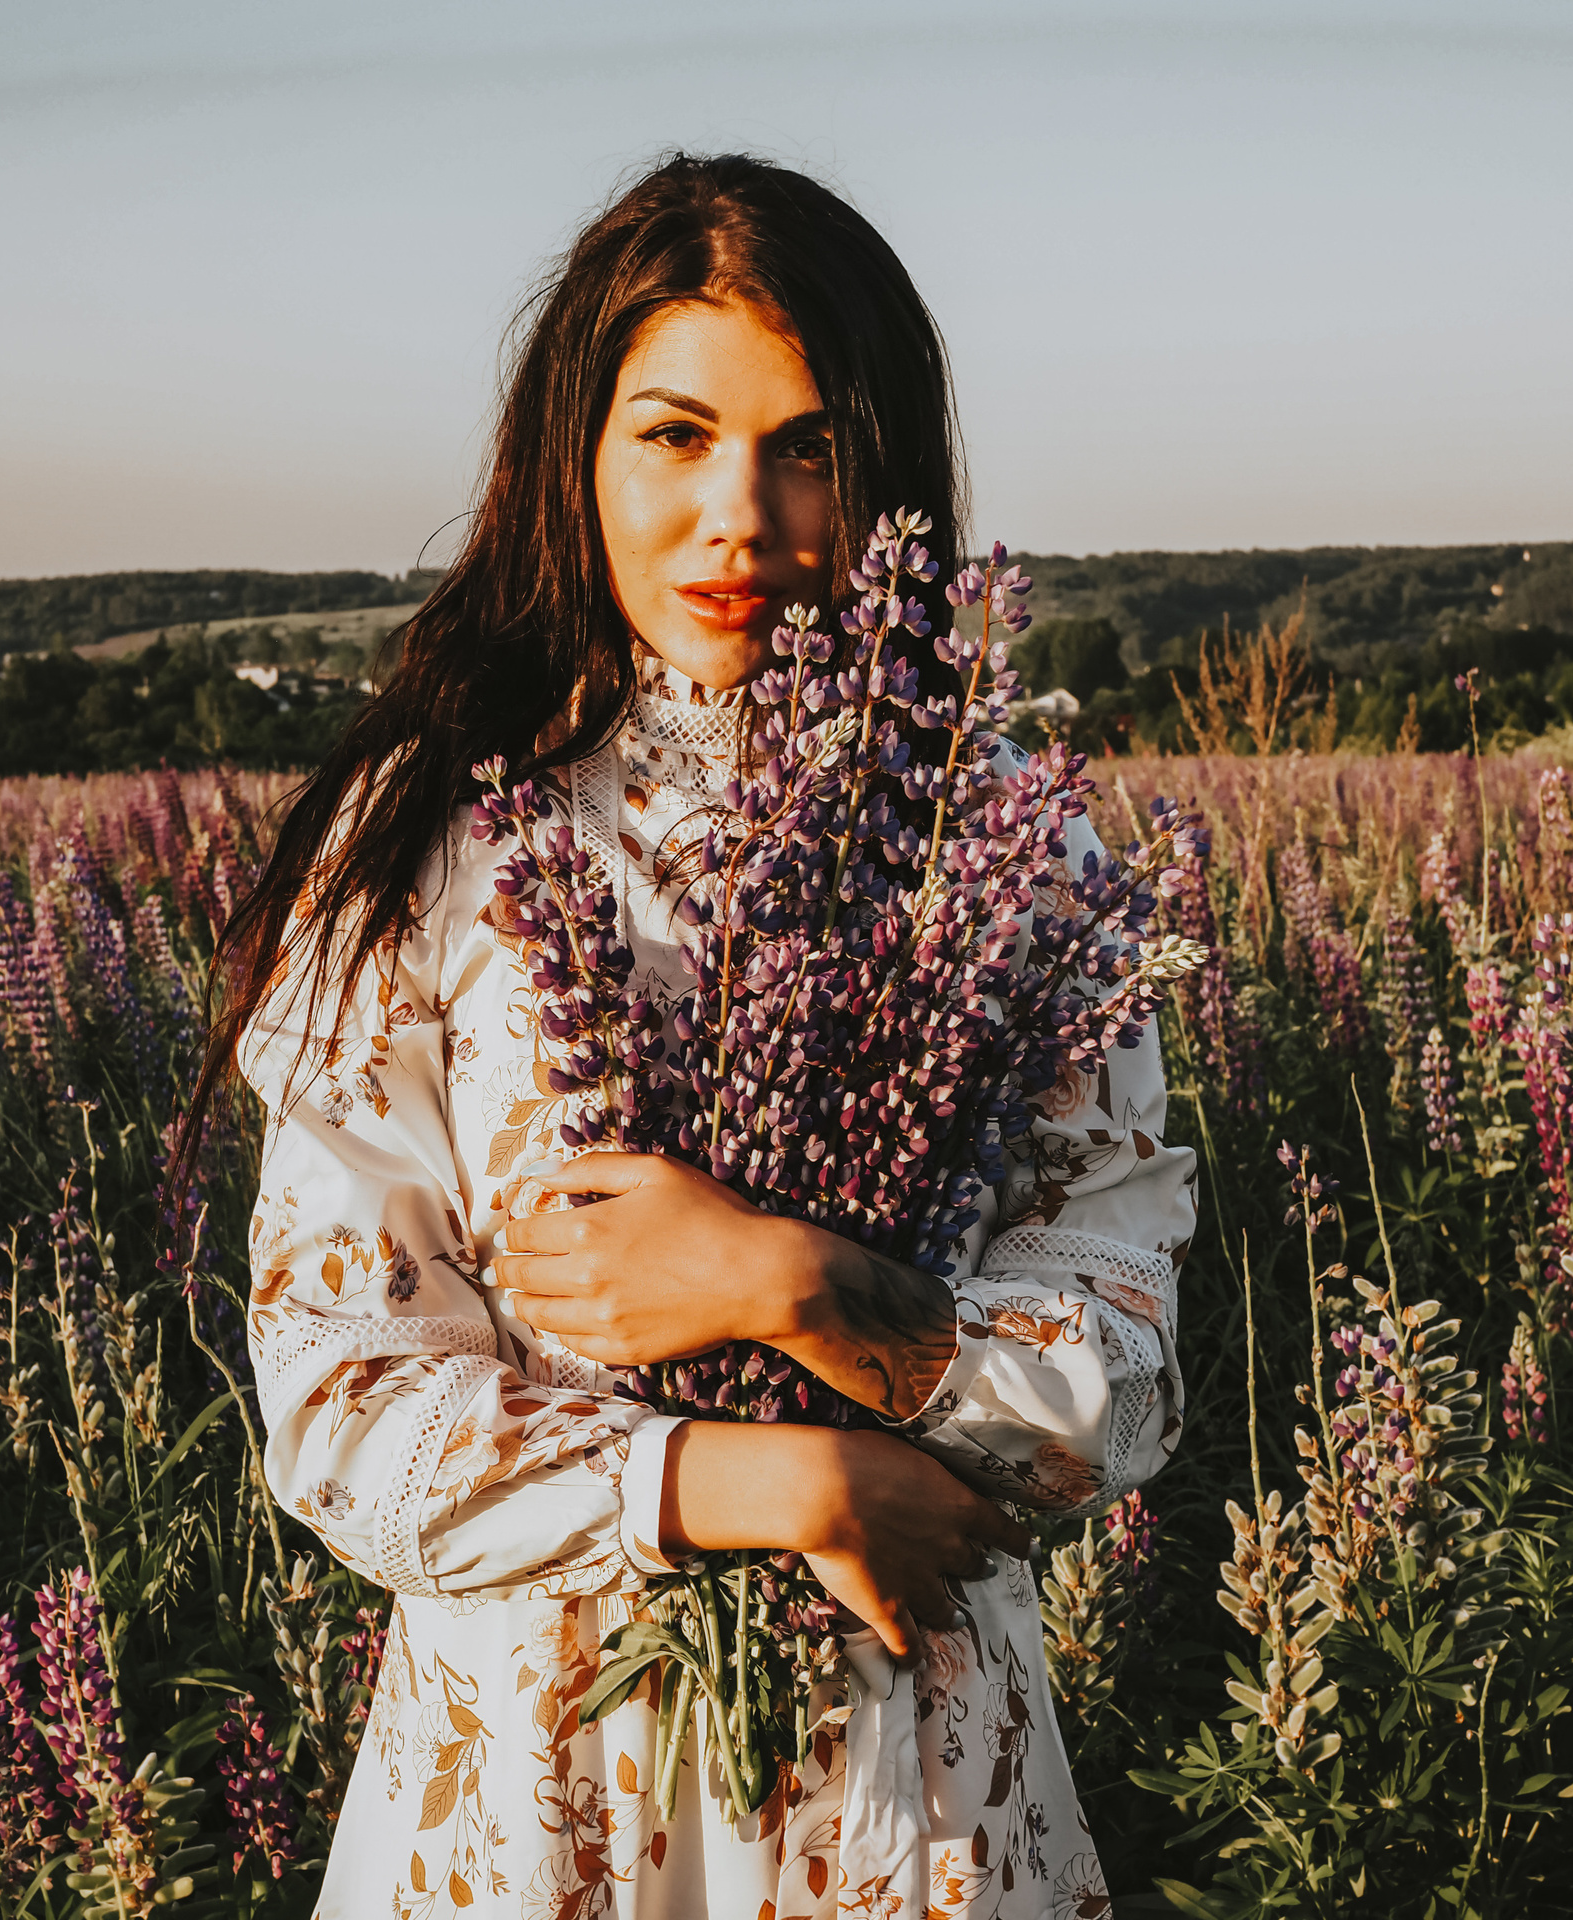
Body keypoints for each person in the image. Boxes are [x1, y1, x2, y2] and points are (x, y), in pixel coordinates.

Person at [187, 152, 1195, 1919]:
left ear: (883, 480)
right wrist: (742, 1475)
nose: (741, 513)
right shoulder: (429, 842)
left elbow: (1126, 1369)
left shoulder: (1002, 835)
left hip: (910, 1791)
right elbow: (340, 1402)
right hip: (544, 1783)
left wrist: (782, 1284)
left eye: (807, 448)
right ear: (572, 450)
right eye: (673, 436)